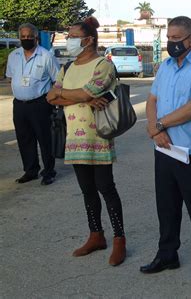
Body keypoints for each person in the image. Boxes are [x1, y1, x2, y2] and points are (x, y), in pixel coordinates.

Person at [141, 16, 191, 289]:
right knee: (166, 205)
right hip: (163, 147)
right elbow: (152, 101)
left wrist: (161, 124)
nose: (171, 43)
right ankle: (167, 255)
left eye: (176, 38)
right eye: (169, 38)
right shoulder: (164, 67)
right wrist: (155, 129)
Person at [46, 17, 126, 266]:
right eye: (68, 36)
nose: (68, 40)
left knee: (106, 188)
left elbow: (85, 92)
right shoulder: (67, 67)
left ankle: (119, 240)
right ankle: (96, 235)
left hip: (98, 137)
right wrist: (82, 98)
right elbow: (50, 97)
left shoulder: (103, 65)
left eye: (72, 36)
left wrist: (68, 94)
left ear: (88, 39)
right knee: (87, 190)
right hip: (74, 139)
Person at [6, 23, 59, 185]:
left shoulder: (46, 56)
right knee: (24, 139)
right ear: (19, 38)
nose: (26, 39)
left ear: (36, 37)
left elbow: (57, 81)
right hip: (20, 105)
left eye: (29, 36)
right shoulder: (13, 56)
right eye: (23, 37)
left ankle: (49, 172)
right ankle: (31, 171)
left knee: (44, 140)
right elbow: (10, 77)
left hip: (40, 104)